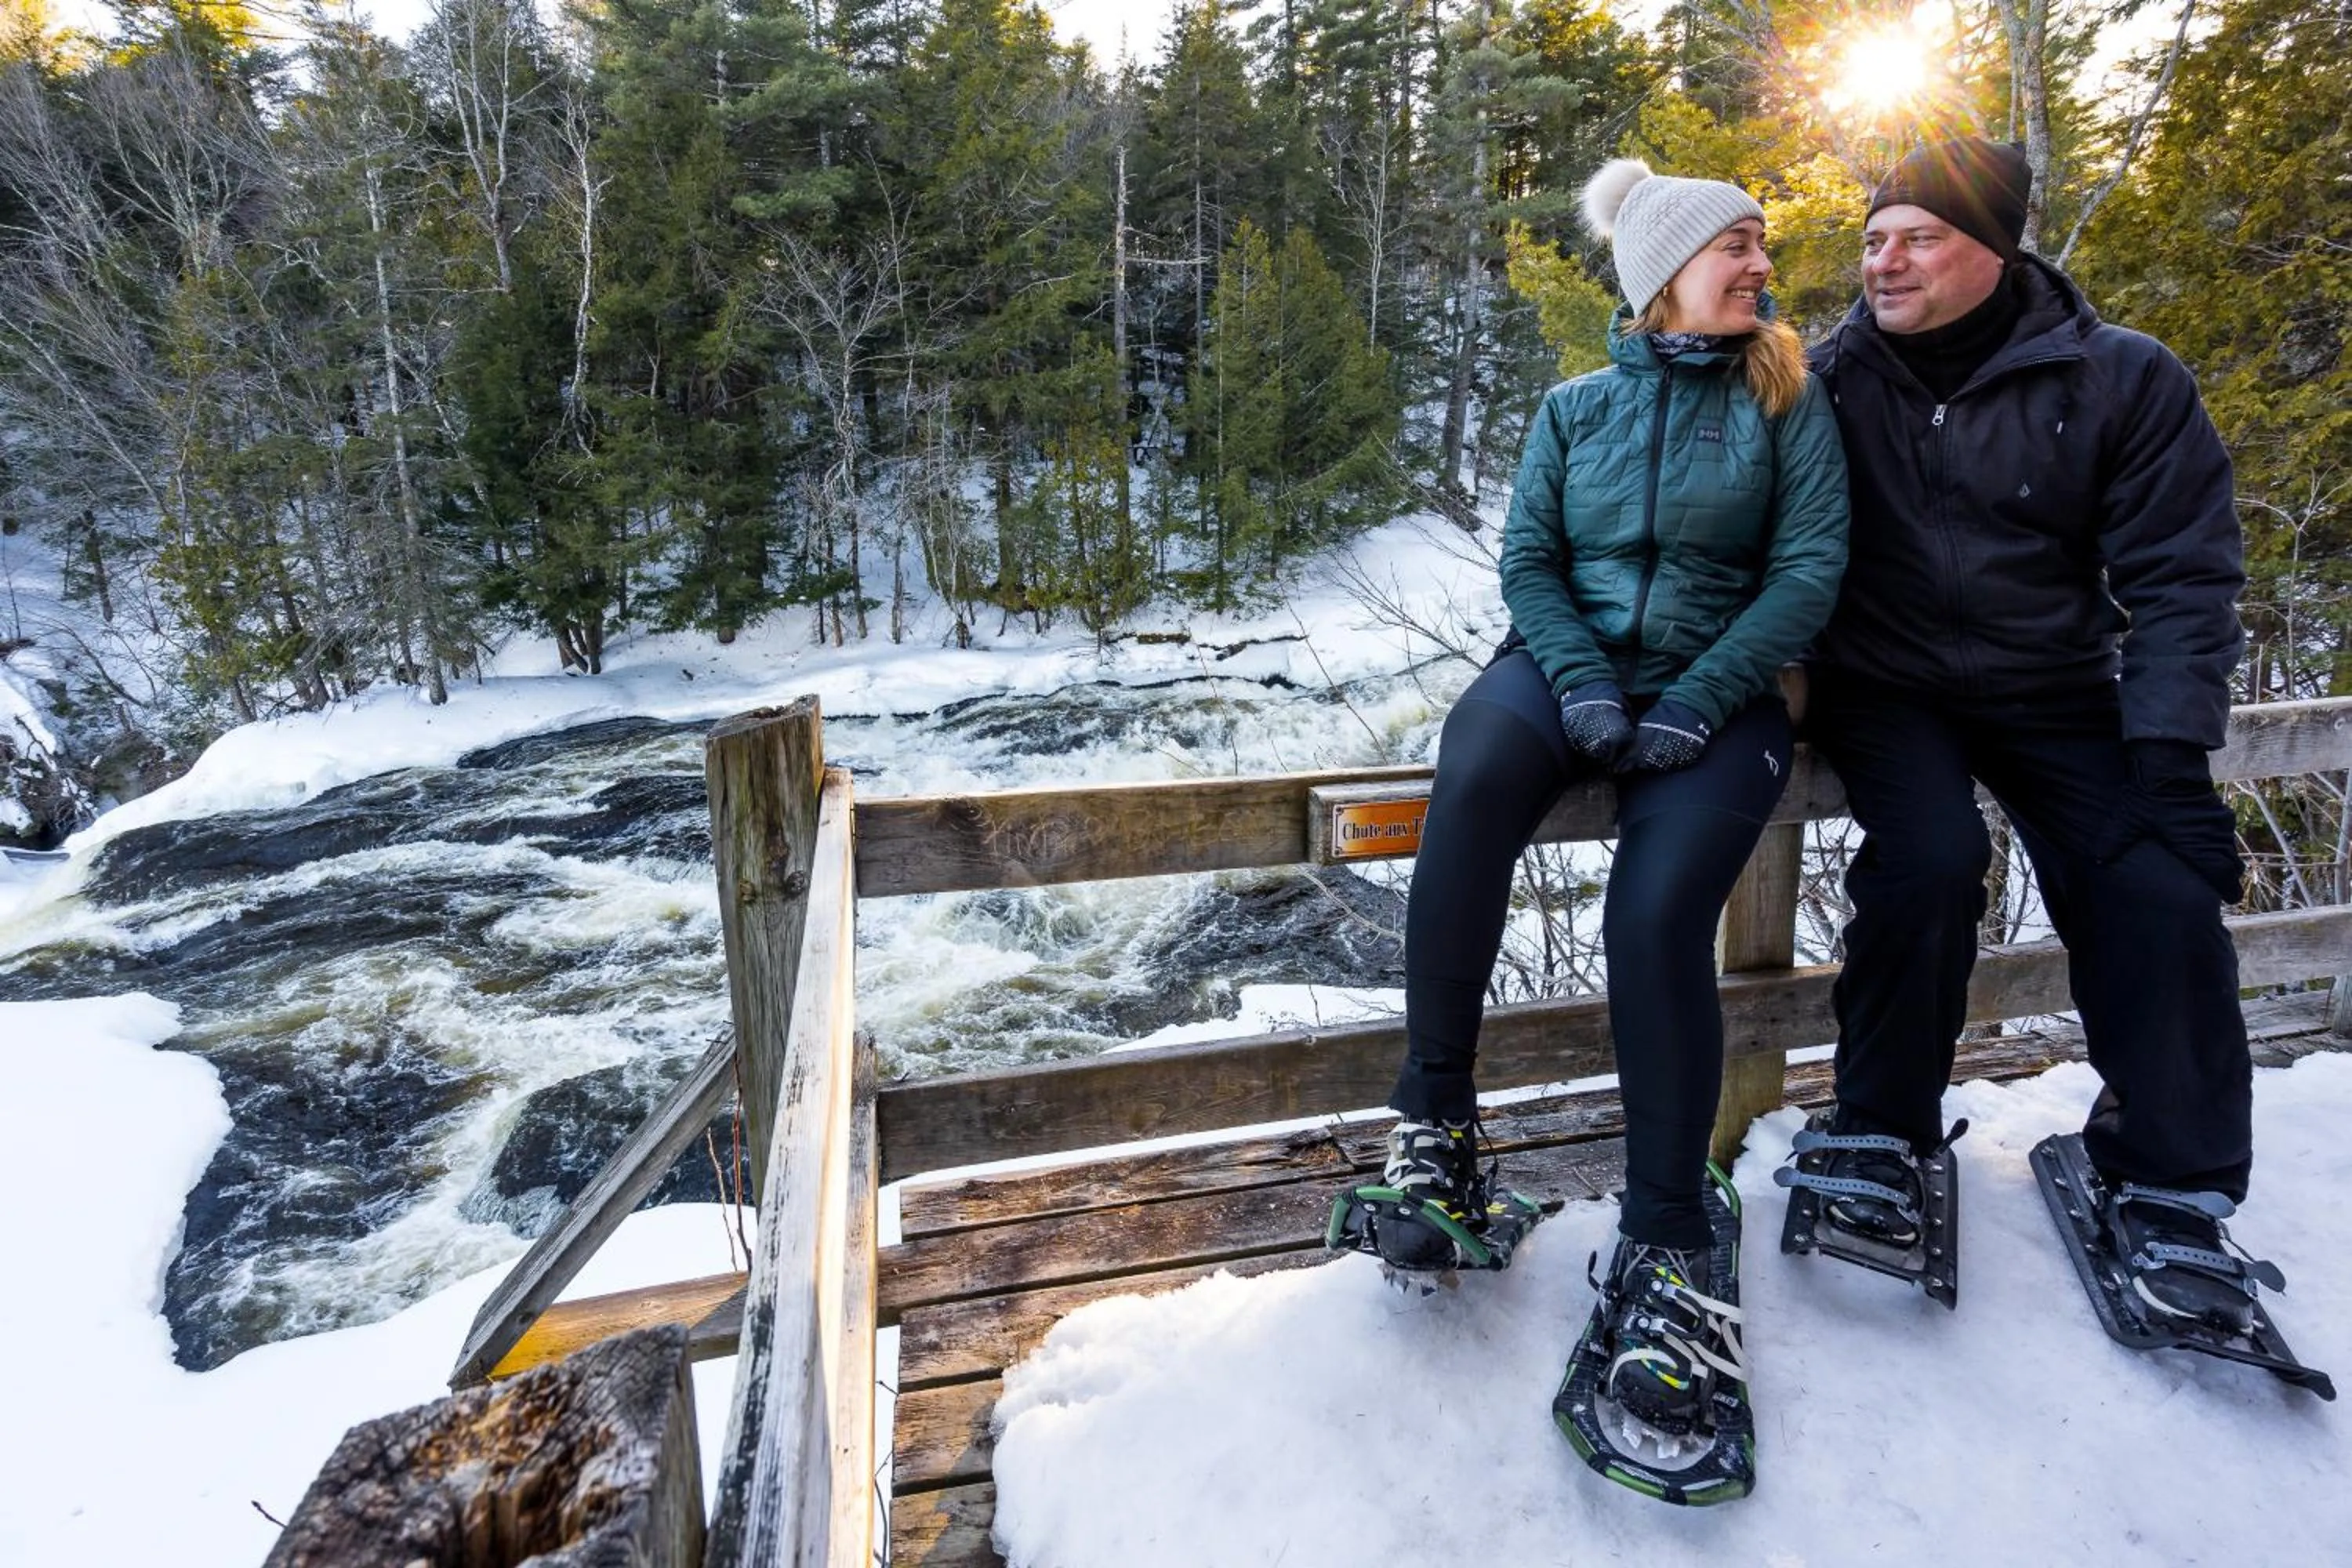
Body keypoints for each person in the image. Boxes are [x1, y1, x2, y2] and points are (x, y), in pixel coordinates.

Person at [1352, 158, 1848, 1436]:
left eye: (1761, 244)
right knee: (1465, 793)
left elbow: (1808, 573)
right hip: (1562, 671)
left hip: (1720, 693)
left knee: (1653, 916)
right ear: (1662, 275)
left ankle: (1670, 1229)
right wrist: (1576, 684)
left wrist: (1702, 693)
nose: (1759, 264)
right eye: (1734, 245)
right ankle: (1438, 1121)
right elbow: (1529, 559)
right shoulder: (1575, 407)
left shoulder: (1789, 403)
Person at [1798, 136, 2260, 1329]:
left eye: (1918, 238)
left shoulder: (2119, 378)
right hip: (1887, 684)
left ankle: (2171, 1177)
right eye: (1872, 239)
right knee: (1930, 866)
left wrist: (2168, 752)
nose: (1883, 262)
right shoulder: (1826, 377)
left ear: (1995, 249)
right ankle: (1881, 1129)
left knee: (2153, 885)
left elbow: (2182, 575)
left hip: (2059, 685)